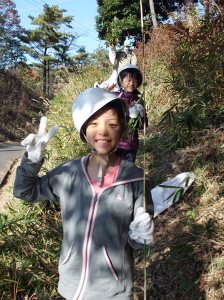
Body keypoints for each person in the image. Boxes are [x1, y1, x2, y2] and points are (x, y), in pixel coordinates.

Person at [13, 87, 154, 300]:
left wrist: (140, 235)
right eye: (94, 124)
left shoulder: (137, 180)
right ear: (84, 131)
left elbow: (139, 242)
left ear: (123, 130)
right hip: (71, 287)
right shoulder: (68, 173)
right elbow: (25, 191)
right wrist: (31, 161)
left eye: (112, 124)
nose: (103, 131)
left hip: (114, 292)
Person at [114, 64, 147, 163]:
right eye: (128, 80)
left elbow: (143, 126)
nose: (131, 83)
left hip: (130, 145)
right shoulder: (115, 97)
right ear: (121, 80)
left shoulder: (139, 100)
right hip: (114, 144)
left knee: (127, 173)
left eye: (135, 80)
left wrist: (142, 115)